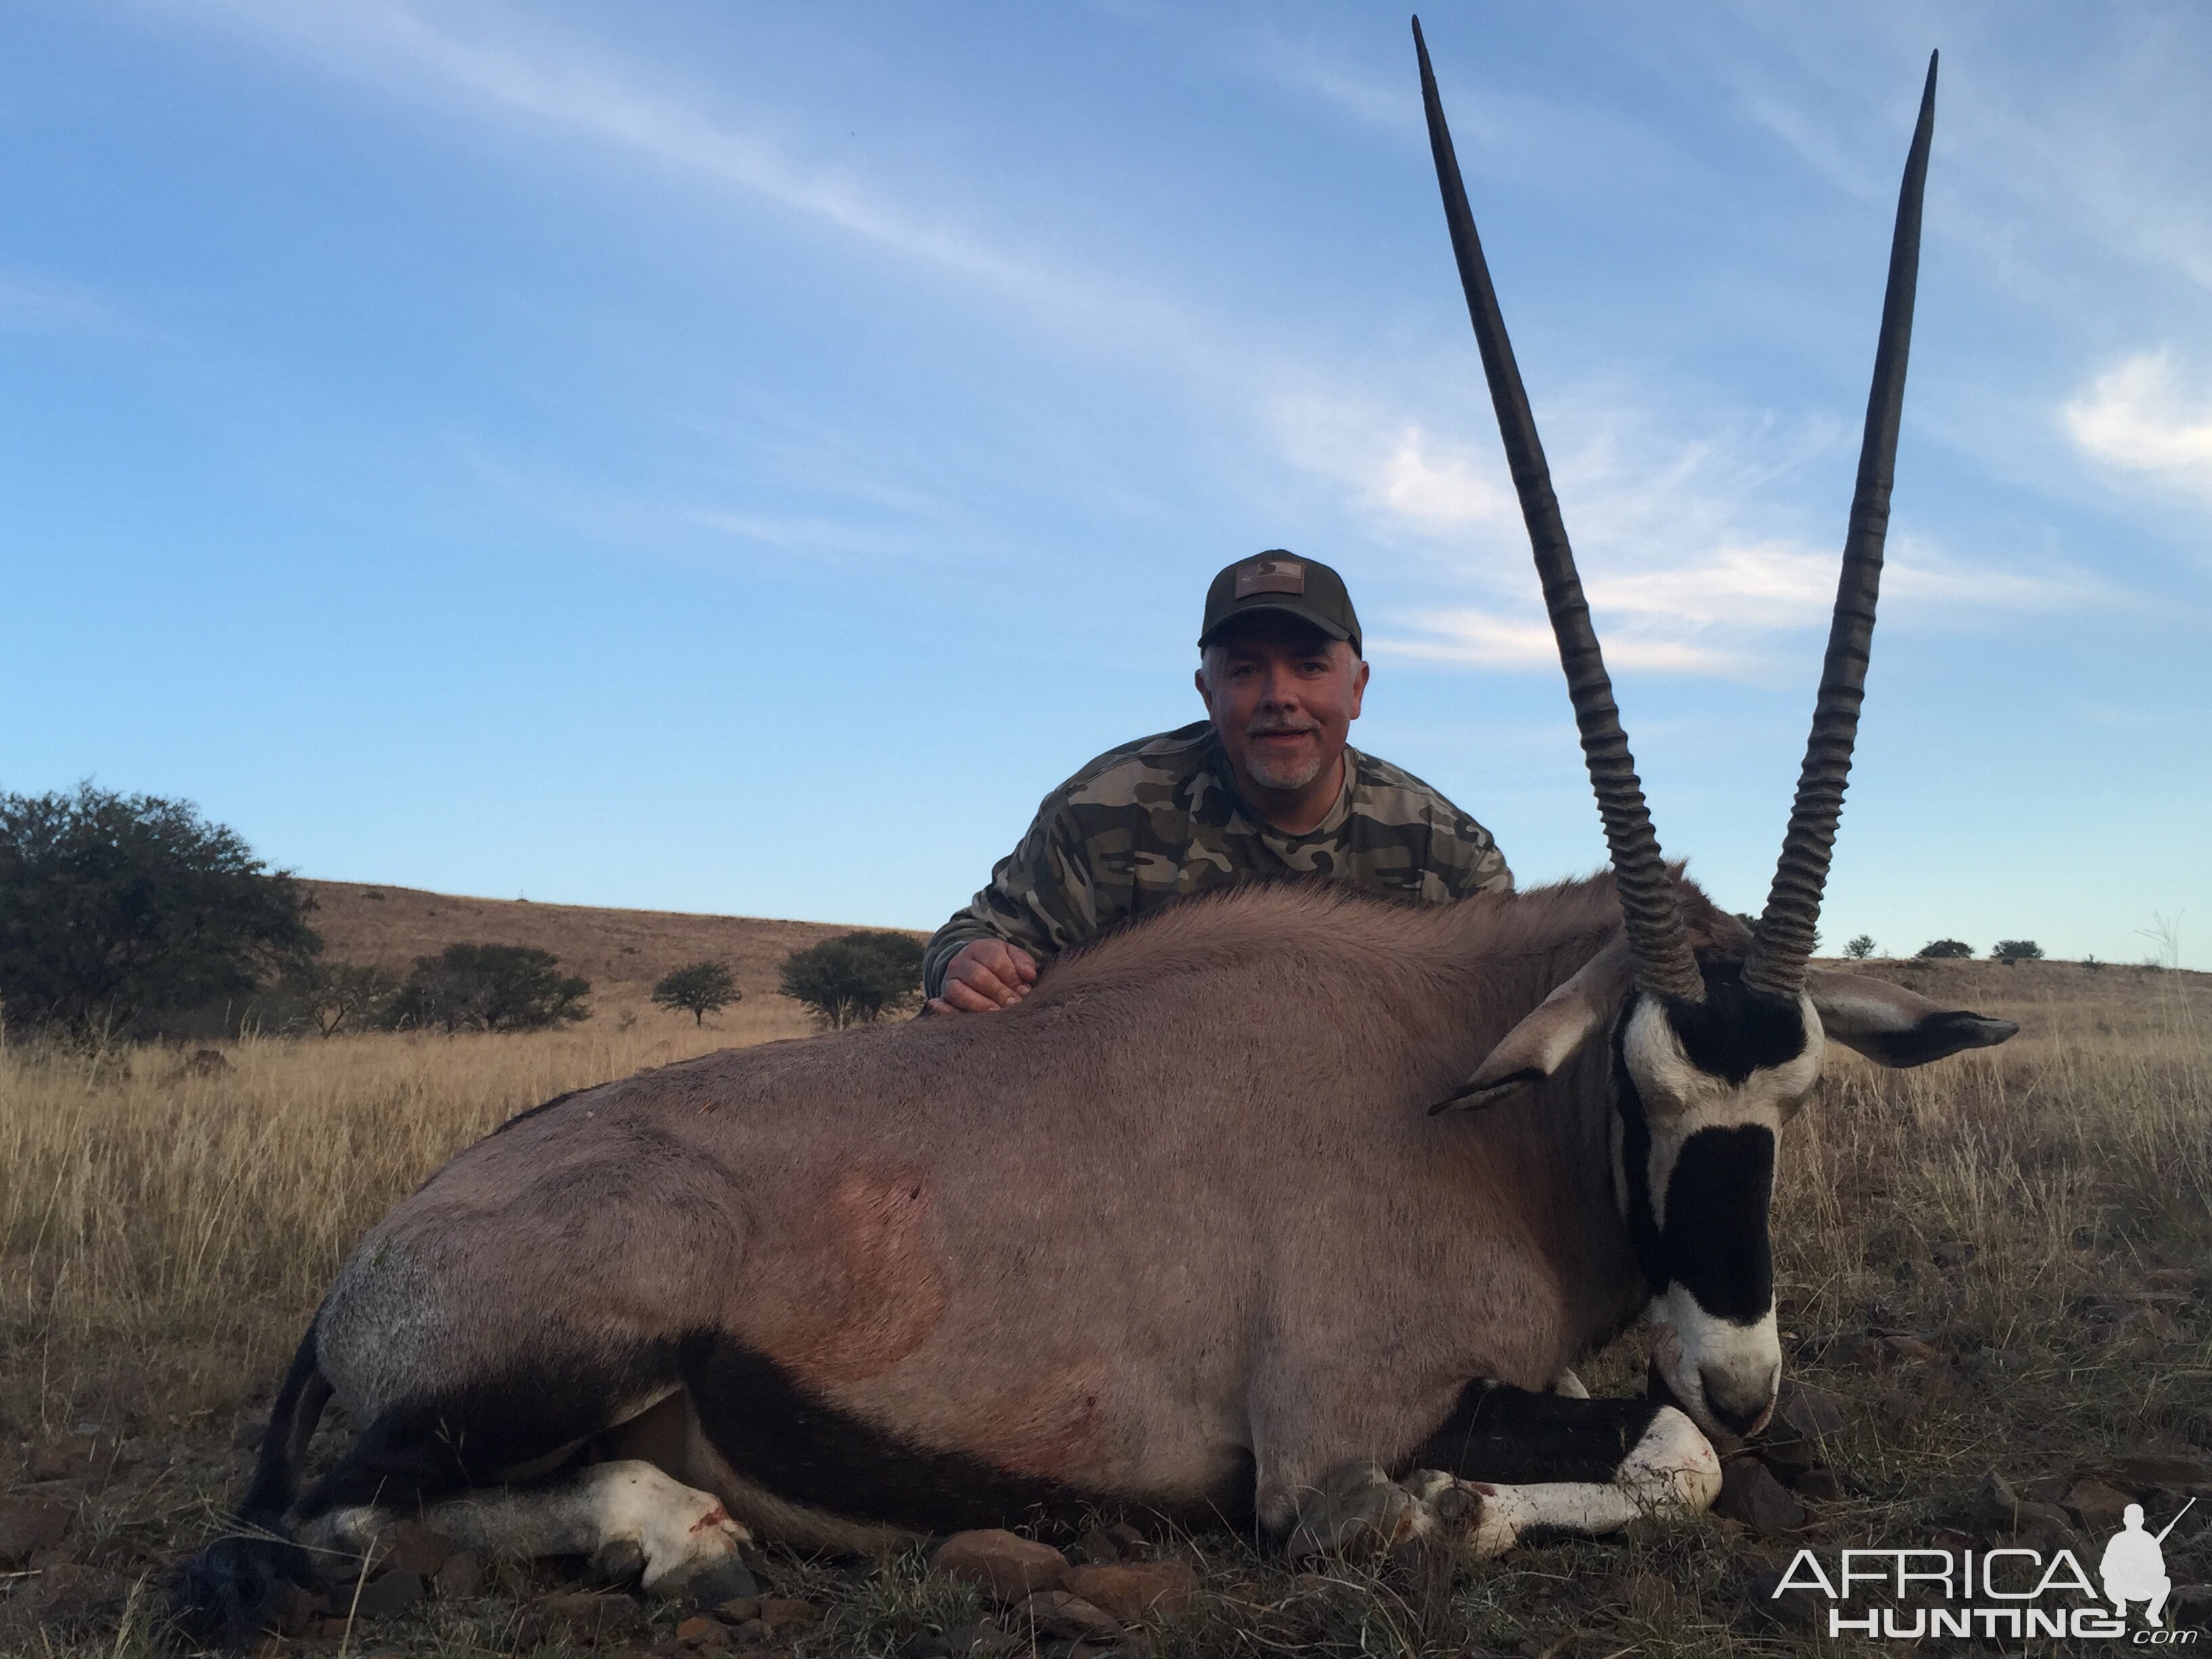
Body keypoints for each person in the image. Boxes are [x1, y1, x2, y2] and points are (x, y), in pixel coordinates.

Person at [924, 550, 1513, 1013]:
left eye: (1309, 666)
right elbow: (973, 937)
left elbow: (1515, 994)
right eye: (1245, 670)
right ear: (1208, 693)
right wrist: (965, 964)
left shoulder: (1450, 852)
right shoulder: (1103, 812)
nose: (1280, 697)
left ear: (1357, 689)